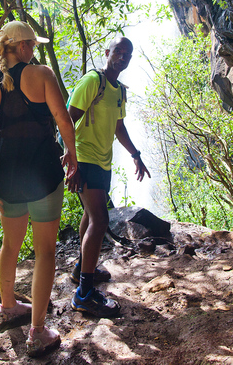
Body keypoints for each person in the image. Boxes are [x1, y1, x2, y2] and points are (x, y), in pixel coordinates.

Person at [0, 20, 77, 357]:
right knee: (45, 251)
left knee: (10, 244)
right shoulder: (42, 75)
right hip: (44, 174)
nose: (35, 49)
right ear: (19, 46)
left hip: (8, 178)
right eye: (31, 45)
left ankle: (7, 306)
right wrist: (71, 154)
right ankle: (36, 331)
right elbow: (62, 119)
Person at [66, 36, 150, 317]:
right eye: (119, 52)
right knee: (100, 219)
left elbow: (118, 127)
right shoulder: (93, 81)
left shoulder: (119, 91)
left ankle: (81, 270)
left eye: (128, 54)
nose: (123, 57)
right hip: (84, 158)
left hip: (103, 161)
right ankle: (84, 294)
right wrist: (70, 159)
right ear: (107, 53)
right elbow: (68, 117)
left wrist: (135, 154)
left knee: (91, 217)